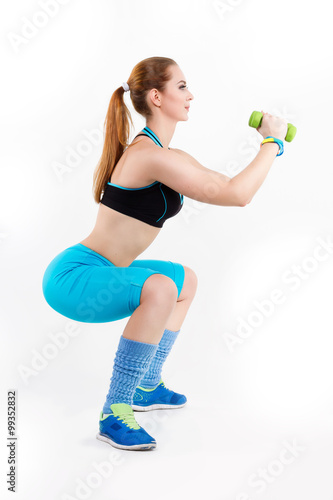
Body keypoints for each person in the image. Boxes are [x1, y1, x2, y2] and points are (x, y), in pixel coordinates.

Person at [42, 56, 288, 451]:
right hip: (74, 278)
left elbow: (227, 183)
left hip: (99, 272)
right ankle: (114, 411)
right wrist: (271, 142)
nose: (191, 95)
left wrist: (266, 148)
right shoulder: (150, 157)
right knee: (159, 287)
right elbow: (237, 197)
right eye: (182, 87)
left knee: (183, 280)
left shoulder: (168, 154)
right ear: (156, 97)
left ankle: (146, 384)